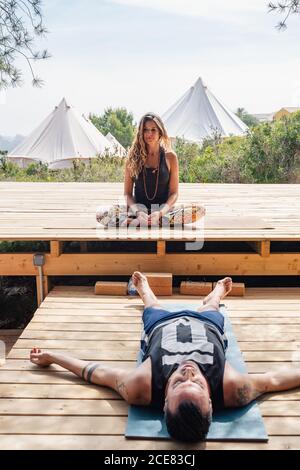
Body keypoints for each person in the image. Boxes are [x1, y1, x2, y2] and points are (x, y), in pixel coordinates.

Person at [29, 272, 300, 443]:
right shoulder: (232, 389)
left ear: (164, 401)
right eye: (197, 384)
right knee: (212, 306)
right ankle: (217, 292)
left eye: (177, 384)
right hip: (207, 324)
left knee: (152, 305)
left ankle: (145, 290)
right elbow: (273, 380)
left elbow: (95, 372)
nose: (188, 373)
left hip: (161, 325)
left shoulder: (141, 387)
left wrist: (54, 356)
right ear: (211, 401)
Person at [96, 113, 205, 227]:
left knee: (199, 210)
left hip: (163, 212)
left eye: (153, 130)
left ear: (160, 132)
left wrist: (160, 213)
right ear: (141, 133)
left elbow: (174, 194)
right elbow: (127, 194)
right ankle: (146, 221)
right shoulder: (132, 157)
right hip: (138, 211)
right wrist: (138, 212)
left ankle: (147, 222)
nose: (149, 133)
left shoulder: (170, 157)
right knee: (101, 214)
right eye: (145, 130)